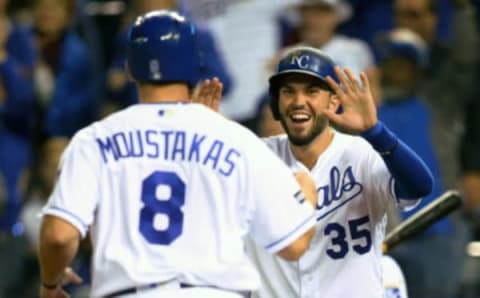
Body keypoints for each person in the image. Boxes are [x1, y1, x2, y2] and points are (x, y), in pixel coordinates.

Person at [37, 10, 318, 298]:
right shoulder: (235, 138)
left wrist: (50, 284)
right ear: (195, 67)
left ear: (130, 69)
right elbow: (294, 244)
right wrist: (306, 198)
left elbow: (59, 236)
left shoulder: (93, 139)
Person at [198, 46, 433, 298]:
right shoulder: (254, 157)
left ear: (333, 100)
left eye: (312, 91)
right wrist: (202, 145)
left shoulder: (362, 154)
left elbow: (419, 187)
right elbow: (202, 204)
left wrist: (377, 132)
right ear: (276, 102)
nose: (299, 102)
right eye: (288, 91)